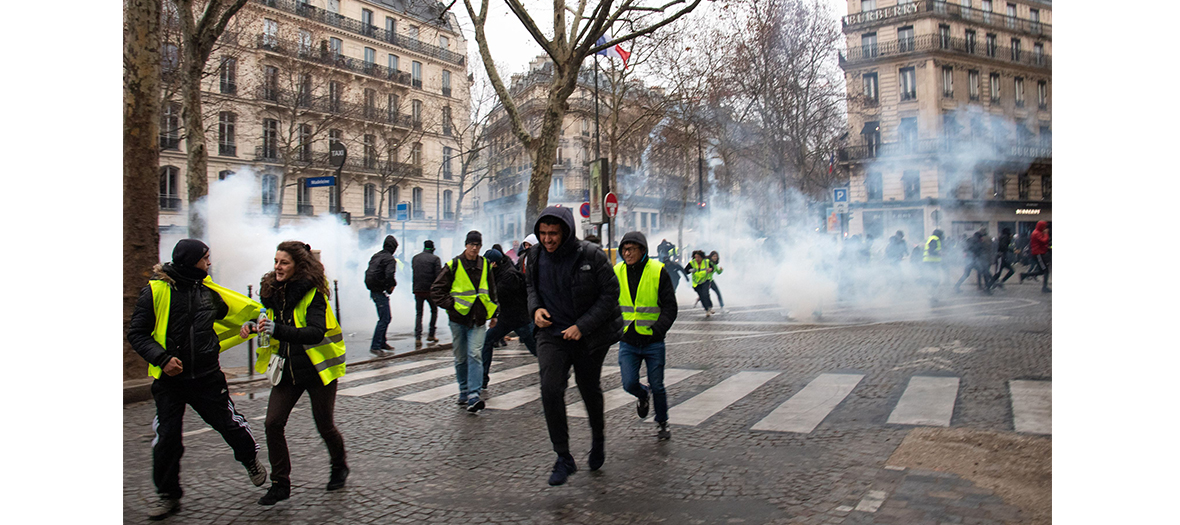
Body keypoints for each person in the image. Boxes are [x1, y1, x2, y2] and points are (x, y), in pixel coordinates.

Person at [128, 239, 268, 520]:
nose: (209, 263)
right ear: (191, 261)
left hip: (206, 377)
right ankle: (167, 495)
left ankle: (249, 458)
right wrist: (162, 359)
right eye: (205, 258)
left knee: (229, 425)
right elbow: (137, 334)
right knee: (167, 438)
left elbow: (238, 317)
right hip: (169, 382)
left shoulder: (209, 293)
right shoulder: (155, 292)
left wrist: (248, 326)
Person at [241, 241, 348, 506]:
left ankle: (339, 466)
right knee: (272, 423)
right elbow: (267, 319)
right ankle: (280, 484)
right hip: (286, 369)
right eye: (276, 261)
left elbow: (314, 332)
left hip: (317, 369)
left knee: (325, 425)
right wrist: (253, 325)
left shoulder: (313, 294)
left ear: (297, 266)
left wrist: (276, 329)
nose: (277, 267)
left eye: (284, 262)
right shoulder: (271, 291)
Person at [524, 206, 623, 486]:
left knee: (588, 386)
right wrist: (535, 310)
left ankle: (598, 438)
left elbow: (611, 293)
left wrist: (583, 326)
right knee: (550, 388)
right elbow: (530, 288)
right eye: (543, 233)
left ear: (566, 232)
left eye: (553, 233)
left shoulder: (591, 255)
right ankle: (563, 456)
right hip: (551, 333)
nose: (547, 239)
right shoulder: (534, 256)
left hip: (589, 335)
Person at [615, 232, 678, 441]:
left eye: (631, 249)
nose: (627, 253)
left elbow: (670, 306)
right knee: (628, 383)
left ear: (642, 250)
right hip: (628, 340)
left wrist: (659, 328)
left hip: (653, 340)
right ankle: (642, 395)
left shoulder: (657, 271)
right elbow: (608, 302)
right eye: (624, 249)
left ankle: (662, 422)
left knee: (658, 385)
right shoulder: (616, 271)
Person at [431, 230, 499, 412]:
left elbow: (491, 290)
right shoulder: (453, 264)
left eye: (478, 245)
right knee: (461, 357)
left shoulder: (485, 264)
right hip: (458, 318)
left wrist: (494, 314)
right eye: (472, 245)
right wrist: (451, 305)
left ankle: (473, 395)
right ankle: (463, 390)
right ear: (466, 245)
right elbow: (436, 289)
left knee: (475, 354)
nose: (475, 248)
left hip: (478, 319)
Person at [480, 248, 538, 389]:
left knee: (536, 348)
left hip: (519, 318)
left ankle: (557, 369)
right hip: (508, 318)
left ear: (493, 263)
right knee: (487, 341)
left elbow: (499, 295)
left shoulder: (508, 275)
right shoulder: (501, 272)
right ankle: (482, 378)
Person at [364, 235, 399, 355]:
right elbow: (390, 275)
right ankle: (375, 345)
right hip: (380, 290)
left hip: (374, 289)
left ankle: (382, 342)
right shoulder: (389, 259)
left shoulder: (376, 255)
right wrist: (391, 286)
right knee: (385, 318)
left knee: (385, 317)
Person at [412, 240, 442, 346]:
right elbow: (439, 276)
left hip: (418, 290)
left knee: (419, 313)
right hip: (430, 290)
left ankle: (418, 337)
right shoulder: (435, 259)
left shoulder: (415, 258)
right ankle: (431, 334)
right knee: (434, 311)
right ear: (433, 248)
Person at [1020, 221, 1051, 292]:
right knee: (1045, 270)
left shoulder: (1036, 232)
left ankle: (1025, 275)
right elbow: (1044, 241)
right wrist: (1046, 233)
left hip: (1038, 253)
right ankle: (1044, 287)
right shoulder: (1037, 233)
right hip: (1038, 254)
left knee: (1042, 271)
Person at [688, 250, 715, 316]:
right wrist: (691, 270)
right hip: (696, 283)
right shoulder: (692, 263)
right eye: (695, 257)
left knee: (705, 294)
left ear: (702, 257)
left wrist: (711, 269)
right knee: (702, 296)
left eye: (698, 257)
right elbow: (686, 271)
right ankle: (706, 309)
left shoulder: (706, 262)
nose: (697, 259)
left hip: (705, 280)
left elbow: (712, 268)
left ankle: (710, 307)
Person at [923, 229, 945, 303]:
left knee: (934, 279)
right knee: (935, 280)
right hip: (931, 262)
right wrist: (939, 253)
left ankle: (931, 295)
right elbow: (931, 251)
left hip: (930, 262)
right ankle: (931, 295)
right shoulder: (935, 239)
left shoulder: (932, 238)